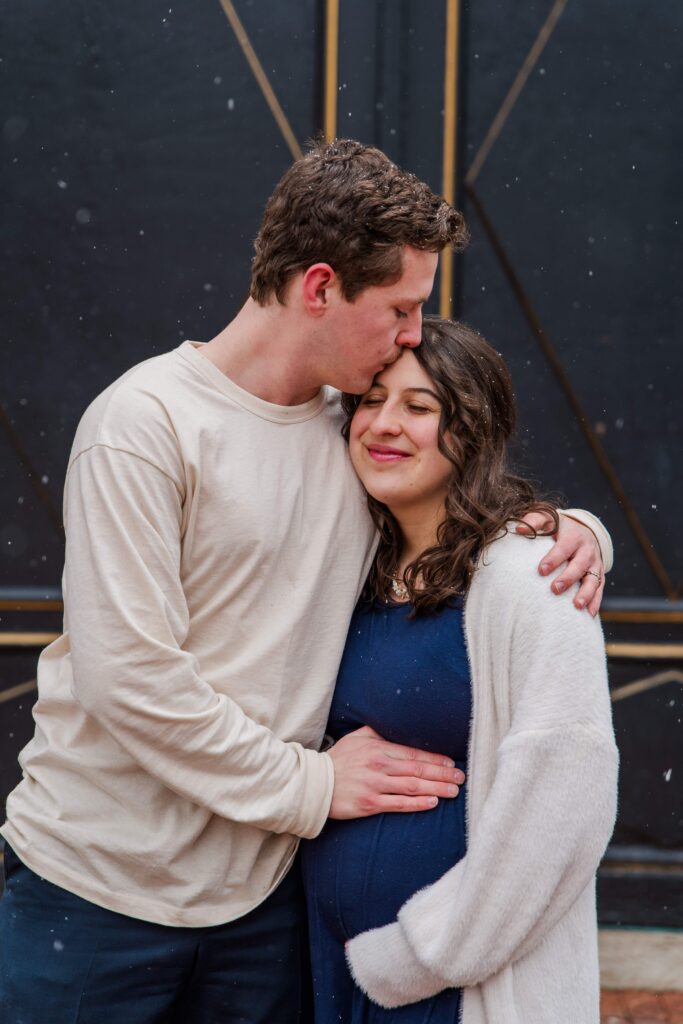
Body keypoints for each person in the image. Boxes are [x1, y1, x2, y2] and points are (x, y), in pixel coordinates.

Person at [0, 139, 612, 1023]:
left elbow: (468, 517)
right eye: (400, 308)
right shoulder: (145, 425)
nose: (412, 336)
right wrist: (314, 787)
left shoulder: (355, 431)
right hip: (100, 892)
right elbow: (129, 677)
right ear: (320, 287)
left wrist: (580, 533)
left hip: (263, 905)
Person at [301, 317, 618, 1024]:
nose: (383, 424)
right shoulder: (344, 563)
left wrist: (420, 956)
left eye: (418, 407)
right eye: (371, 400)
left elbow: (563, 801)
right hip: (323, 967)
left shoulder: (526, 578)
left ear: (470, 431)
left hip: (449, 988)